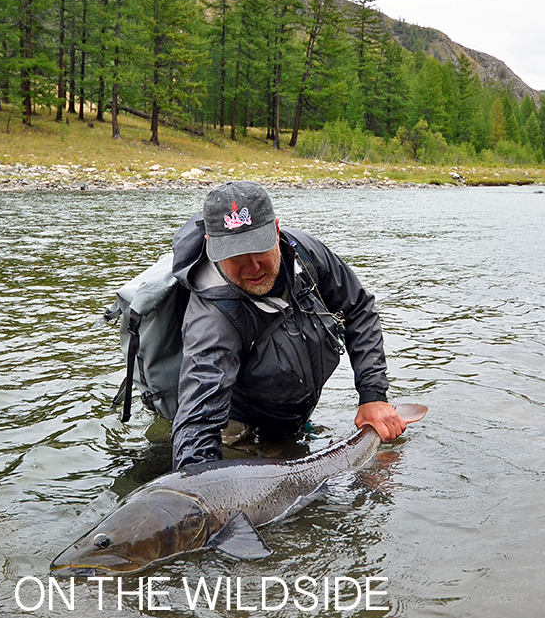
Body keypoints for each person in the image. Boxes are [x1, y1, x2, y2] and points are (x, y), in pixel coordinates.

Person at [169, 181, 407, 469]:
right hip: (238, 423)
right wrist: (194, 479)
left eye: (259, 248)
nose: (252, 266)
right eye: (235, 255)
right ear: (211, 247)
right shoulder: (211, 318)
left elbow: (358, 309)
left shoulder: (306, 254)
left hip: (290, 409)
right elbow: (199, 418)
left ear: (277, 230)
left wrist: (373, 396)